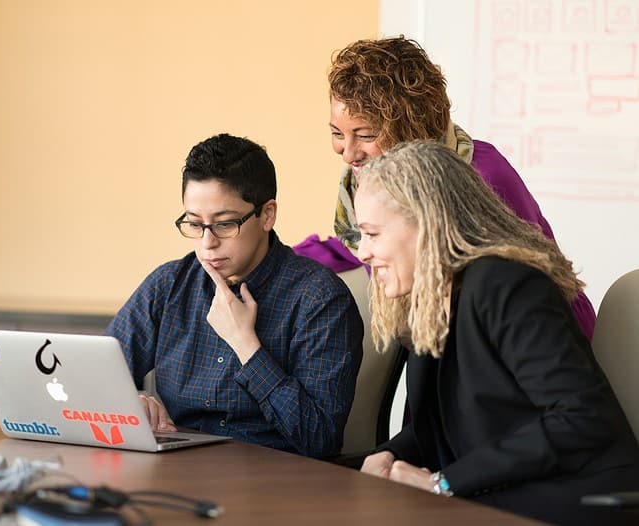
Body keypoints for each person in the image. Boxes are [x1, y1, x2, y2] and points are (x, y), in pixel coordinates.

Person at [355, 140, 639, 526]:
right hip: (505, 492)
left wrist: (444, 483)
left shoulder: (508, 285)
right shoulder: (431, 297)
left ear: (426, 222)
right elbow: (438, 427)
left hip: (581, 498)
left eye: (372, 234)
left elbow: (580, 419)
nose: (362, 252)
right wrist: (388, 456)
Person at [105, 133, 363, 459]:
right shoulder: (169, 285)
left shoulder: (320, 300)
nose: (207, 243)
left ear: (267, 215)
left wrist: (246, 345)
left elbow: (319, 438)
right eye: (195, 224)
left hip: (277, 483)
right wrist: (133, 400)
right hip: (179, 473)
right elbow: (99, 376)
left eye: (225, 224)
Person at [326, 35, 596, 342]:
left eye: (365, 135)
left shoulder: (483, 172)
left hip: (542, 344)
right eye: (337, 133)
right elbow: (363, 242)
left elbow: (526, 282)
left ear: (409, 127)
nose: (347, 153)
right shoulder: (367, 180)